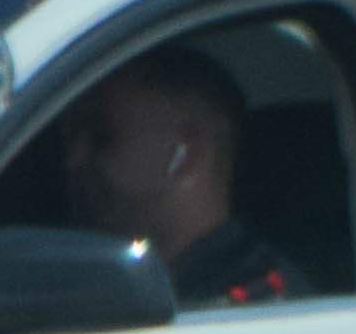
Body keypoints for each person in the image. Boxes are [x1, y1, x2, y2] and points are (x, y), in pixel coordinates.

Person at [56, 44, 303, 306]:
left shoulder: (257, 304)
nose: (73, 159)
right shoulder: (108, 284)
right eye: (71, 138)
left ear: (186, 153)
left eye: (101, 136)